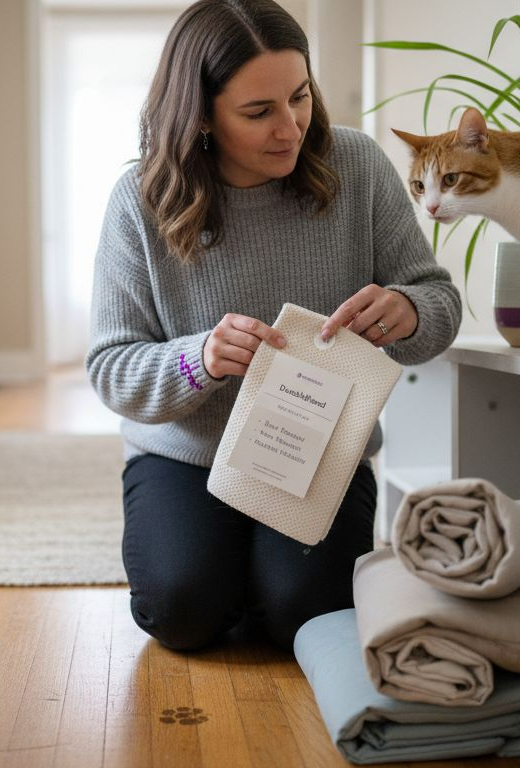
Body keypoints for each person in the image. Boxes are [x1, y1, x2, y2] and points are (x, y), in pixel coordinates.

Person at [85, 0, 462, 652]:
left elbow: (440, 302)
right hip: (188, 455)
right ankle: (232, 579)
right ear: (201, 115)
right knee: (181, 611)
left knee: (308, 616)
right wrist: (197, 359)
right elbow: (111, 368)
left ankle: (263, 585)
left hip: (321, 452)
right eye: (259, 112)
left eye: (300, 96)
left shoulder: (358, 166)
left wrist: (409, 311)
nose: (291, 127)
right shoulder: (140, 200)